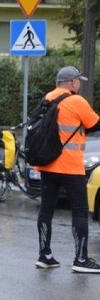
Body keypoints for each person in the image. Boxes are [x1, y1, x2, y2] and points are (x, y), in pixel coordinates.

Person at [35, 66, 100, 273]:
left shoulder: (47, 99)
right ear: (73, 83)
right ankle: (81, 259)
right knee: (80, 211)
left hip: (47, 164)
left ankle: (45, 256)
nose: (79, 84)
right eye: (79, 81)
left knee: (46, 209)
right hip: (71, 166)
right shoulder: (76, 101)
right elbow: (95, 124)